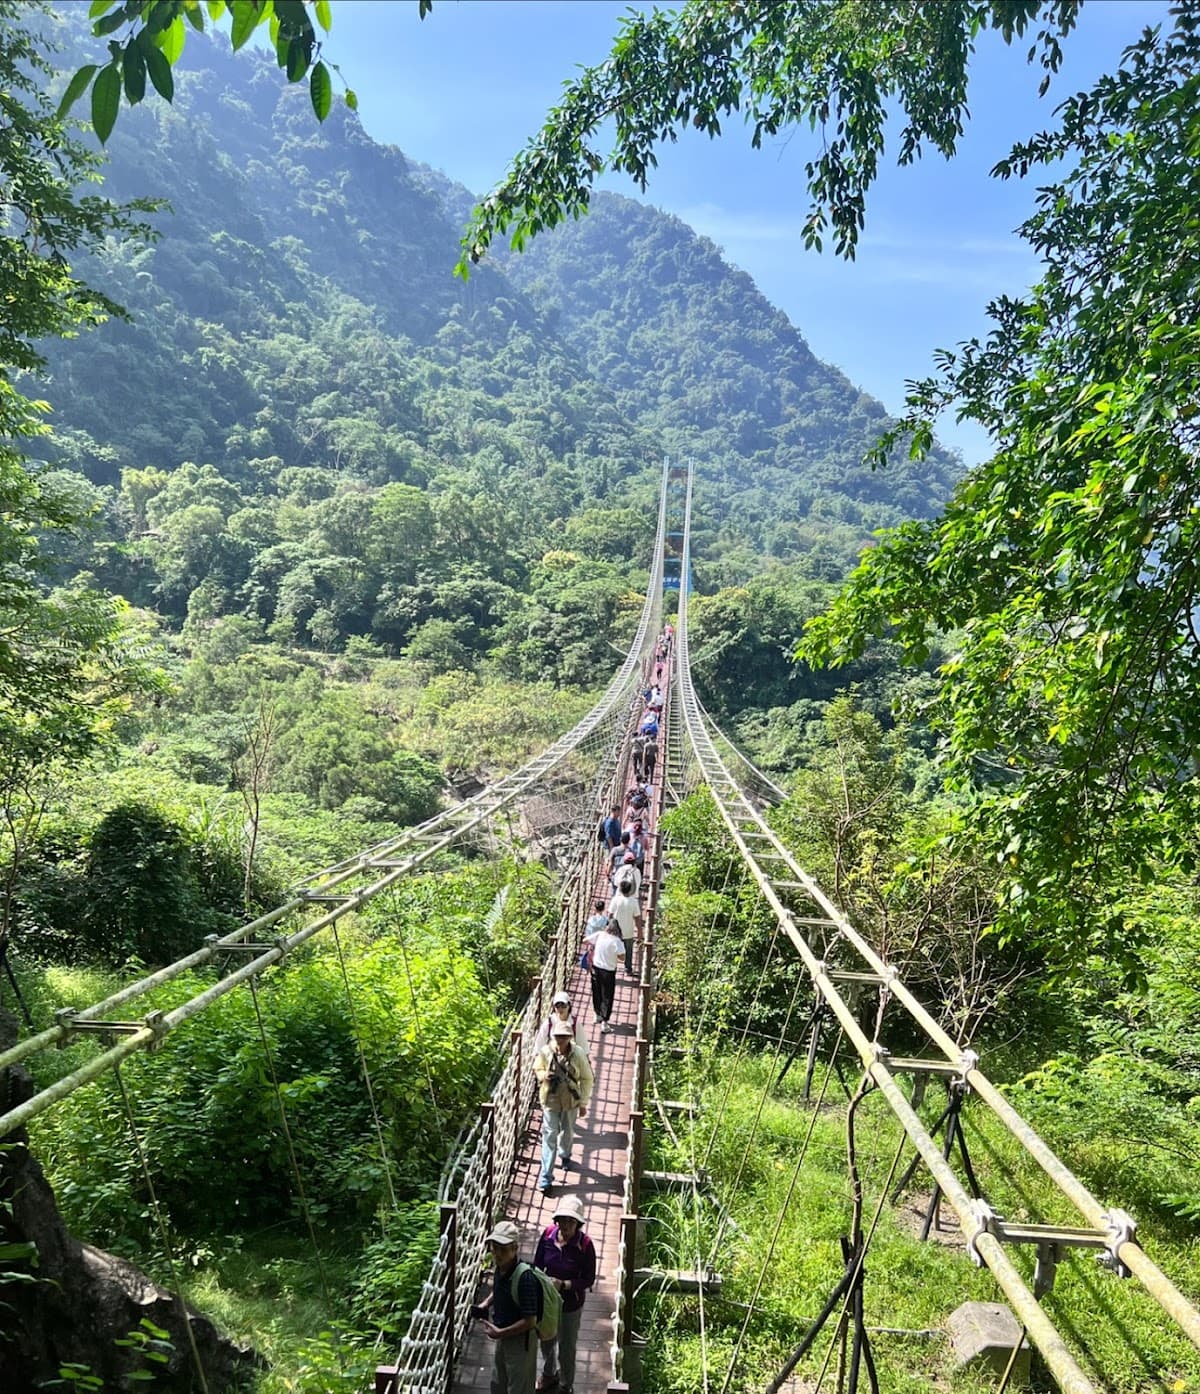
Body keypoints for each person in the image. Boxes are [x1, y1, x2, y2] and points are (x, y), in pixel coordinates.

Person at [534, 1196, 597, 1394]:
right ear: (557, 1220)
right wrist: (543, 1282)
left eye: (571, 1221)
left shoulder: (585, 1245)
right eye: (563, 1220)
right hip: (547, 1300)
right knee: (546, 1339)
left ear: (578, 1223)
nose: (567, 1225)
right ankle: (549, 1373)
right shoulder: (547, 1235)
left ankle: (566, 1384)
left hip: (571, 1304)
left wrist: (566, 1285)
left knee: (567, 1346)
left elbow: (588, 1279)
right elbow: (537, 1264)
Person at [533, 1021, 594, 1193]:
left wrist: (583, 1103)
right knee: (549, 1136)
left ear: (569, 1037)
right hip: (551, 1100)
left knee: (567, 1132)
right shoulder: (546, 1052)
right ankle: (545, 1178)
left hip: (570, 1101)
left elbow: (587, 1078)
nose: (560, 1040)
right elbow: (537, 1068)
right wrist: (545, 1075)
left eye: (564, 1037)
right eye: (558, 1036)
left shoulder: (578, 1054)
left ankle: (565, 1155)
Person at [482, 1219, 539, 1394]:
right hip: (503, 1336)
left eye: (503, 1248)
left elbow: (530, 1321)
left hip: (520, 1342)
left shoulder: (525, 1278)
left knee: (518, 1387)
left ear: (515, 1249)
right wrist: (486, 1303)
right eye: (494, 1247)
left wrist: (500, 1333)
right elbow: (500, 1290)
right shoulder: (501, 1267)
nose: (497, 1253)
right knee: (498, 1382)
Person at [584, 912, 625, 1032]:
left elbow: (585, 940)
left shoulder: (600, 935)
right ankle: (605, 1022)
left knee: (596, 992)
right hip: (609, 971)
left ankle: (597, 1015)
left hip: (596, 968)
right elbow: (622, 957)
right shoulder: (617, 941)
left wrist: (595, 947)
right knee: (607, 995)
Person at [534, 990, 590, 1057]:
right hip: (552, 1057)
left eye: (563, 1005)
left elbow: (583, 1046)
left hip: (572, 1058)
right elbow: (539, 1044)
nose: (560, 1009)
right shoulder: (549, 1023)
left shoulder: (575, 1023)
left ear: (569, 1006)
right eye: (557, 1005)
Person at [607, 881, 643, 977]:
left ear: (620, 889)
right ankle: (628, 969)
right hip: (628, 931)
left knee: (614, 949)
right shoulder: (634, 902)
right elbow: (637, 918)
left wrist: (608, 927)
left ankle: (612, 967)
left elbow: (610, 914)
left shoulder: (615, 900)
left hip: (615, 930)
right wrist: (640, 931)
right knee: (628, 950)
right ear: (630, 890)